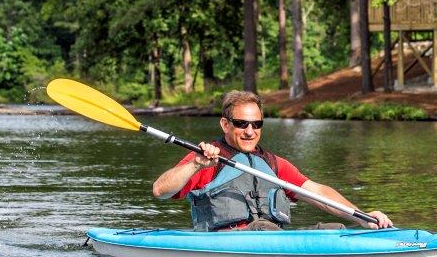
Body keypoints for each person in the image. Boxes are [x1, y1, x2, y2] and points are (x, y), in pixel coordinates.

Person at [152, 90, 393, 232]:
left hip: (274, 241)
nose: (250, 131)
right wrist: (195, 164)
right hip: (227, 245)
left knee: (335, 231)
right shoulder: (207, 158)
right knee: (261, 227)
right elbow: (160, 190)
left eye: (257, 124)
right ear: (225, 124)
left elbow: (317, 193)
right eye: (241, 124)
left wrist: (362, 216)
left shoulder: (274, 164)